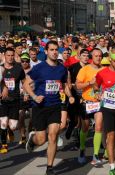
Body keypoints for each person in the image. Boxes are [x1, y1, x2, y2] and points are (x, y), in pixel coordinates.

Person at [24, 41, 69, 175]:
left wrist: (69, 95)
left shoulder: (62, 69)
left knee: (53, 135)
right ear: (46, 51)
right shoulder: (39, 68)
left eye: (56, 50)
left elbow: (65, 85)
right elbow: (26, 84)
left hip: (55, 105)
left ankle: (50, 167)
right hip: (40, 106)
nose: (55, 52)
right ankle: (33, 139)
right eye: (52, 50)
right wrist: (34, 96)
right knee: (41, 139)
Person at [94, 49, 115, 175]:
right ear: (110, 60)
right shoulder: (102, 73)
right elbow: (96, 85)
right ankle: (112, 167)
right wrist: (97, 92)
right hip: (107, 108)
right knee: (110, 136)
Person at [75, 48, 104, 166]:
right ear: (92, 57)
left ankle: (95, 155)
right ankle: (82, 149)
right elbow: (77, 85)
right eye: (96, 56)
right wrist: (89, 83)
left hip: (99, 103)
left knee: (98, 127)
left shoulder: (104, 70)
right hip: (86, 102)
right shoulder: (85, 69)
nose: (98, 58)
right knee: (85, 127)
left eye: (100, 56)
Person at [2, 47, 26, 148]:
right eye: (8, 55)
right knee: (3, 123)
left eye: (12, 55)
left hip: (15, 100)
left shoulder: (18, 69)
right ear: (4, 56)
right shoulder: (0, 69)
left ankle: (10, 130)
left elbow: (24, 82)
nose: (10, 57)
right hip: (2, 101)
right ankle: (3, 144)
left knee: (13, 126)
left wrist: (26, 94)